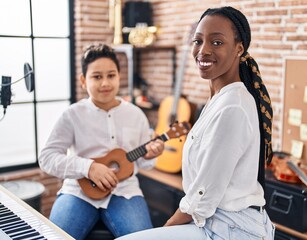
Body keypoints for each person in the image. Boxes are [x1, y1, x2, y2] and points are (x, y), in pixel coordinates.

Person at [117, 6, 275, 240]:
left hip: (231, 228)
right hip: (215, 221)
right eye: (198, 41)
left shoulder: (233, 106)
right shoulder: (219, 100)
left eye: (217, 42)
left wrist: (168, 226)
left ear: (239, 49)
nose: (203, 51)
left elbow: (204, 193)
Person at [39, 43, 164, 240]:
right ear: (83, 80)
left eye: (111, 75)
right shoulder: (72, 115)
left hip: (125, 192)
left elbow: (143, 164)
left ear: (119, 76)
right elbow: (47, 157)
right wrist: (88, 167)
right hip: (78, 192)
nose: (105, 83)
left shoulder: (136, 114)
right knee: (54, 237)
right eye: (97, 77)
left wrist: (150, 155)